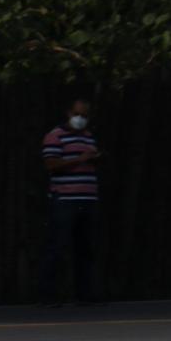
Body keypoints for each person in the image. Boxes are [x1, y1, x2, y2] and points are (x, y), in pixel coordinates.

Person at [38, 99, 102, 305]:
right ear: (68, 113)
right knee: (57, 247)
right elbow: (51, 164)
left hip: (88, 198)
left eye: (85, 115)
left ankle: (86, 295)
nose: (80, 119)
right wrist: (79, 159)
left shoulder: (88, 137)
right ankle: (48, 295)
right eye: (77, 114)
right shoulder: (55, 135)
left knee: (86, 248)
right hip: (65, 199)